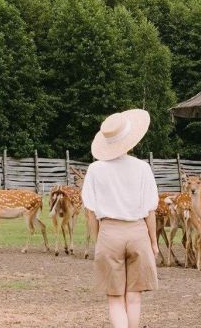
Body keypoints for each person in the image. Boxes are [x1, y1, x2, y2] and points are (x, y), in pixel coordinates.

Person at [82, 109, 159, 328]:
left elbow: (90, 211)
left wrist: (98, 240)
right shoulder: (142, 168)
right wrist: (153, 242)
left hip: (109, 232)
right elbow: (149, 210)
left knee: (115, 297)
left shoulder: (95, 169)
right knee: (134, 296)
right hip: (137, 232)